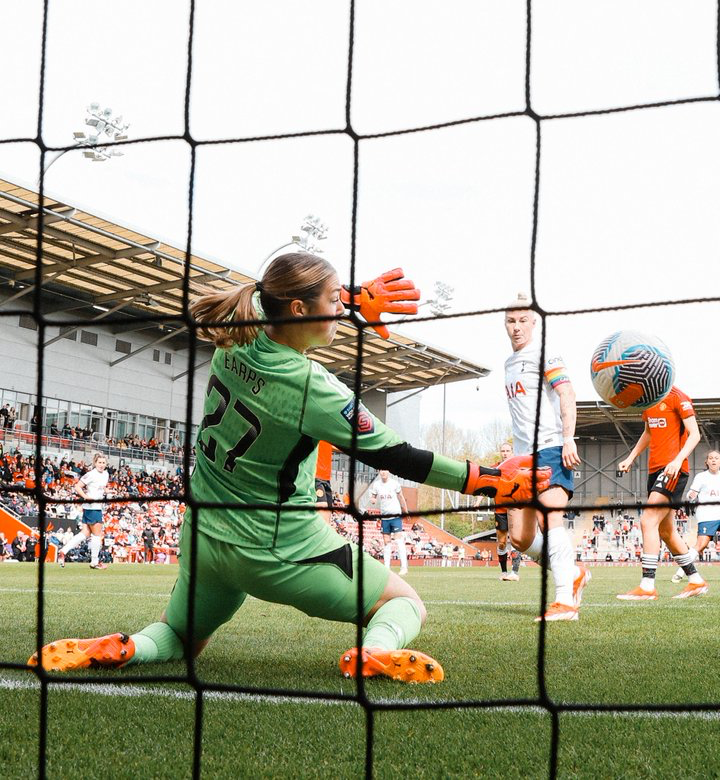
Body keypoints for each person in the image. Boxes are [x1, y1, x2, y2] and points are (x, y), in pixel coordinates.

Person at [30, 255, 549, 682]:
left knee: (180, 640)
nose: (340, 307)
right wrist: (487, 481)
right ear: (300, 308)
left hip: (204, 536)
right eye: (333, 300)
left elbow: (270, 290)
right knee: (405, 603)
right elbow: (395, 455)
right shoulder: (310, 386)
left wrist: (346, 300)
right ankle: (376, 651)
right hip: (277, 548)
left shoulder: (241, 332)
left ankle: (129, 648)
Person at [503, 293, 590, 621]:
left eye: (523, 320)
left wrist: (569, 439)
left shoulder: (545, 355)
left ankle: (565, 601)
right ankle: (574, 572)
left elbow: (567, 393)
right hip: (523, 460)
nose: (516, 327)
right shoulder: (509, 364)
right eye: (511, 321)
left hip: (552, 448)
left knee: (550, 518)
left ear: (534, 323)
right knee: (521, 538)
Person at [616, 386, 706, 600]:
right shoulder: (647, 401)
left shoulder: (678, 397)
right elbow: (648, 432)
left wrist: (677, 460)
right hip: (655, 469)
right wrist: (631, 458)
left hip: (673, 469)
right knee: (667, 532)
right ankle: (696, 581)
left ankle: (647, 586)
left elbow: (695, 434)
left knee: (648, 520)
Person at [671, 450, 720, 582]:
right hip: (707, 515)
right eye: (711, 458)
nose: (714, 460)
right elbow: (690, 494)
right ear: (707, 462)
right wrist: (691, 495)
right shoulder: (701, 477)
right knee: (701, 545)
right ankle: (681, 571)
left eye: (716, 458)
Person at [56, 453, 110, 570]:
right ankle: (94, 562)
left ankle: (63, 551)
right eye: (99, 462)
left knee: (84, 533)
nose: (101, 465)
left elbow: (101, 487)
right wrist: (86, 496)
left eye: (103, 462)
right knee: (97, 535)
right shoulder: (90, 474)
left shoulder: (106, 474)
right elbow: (77, 486)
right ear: (95, 463)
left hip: (95, 506)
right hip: (92, 507)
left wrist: (107, 491)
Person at [367, 469, 410, 576]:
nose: (383, 472)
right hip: (384, 517)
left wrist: (405, 510)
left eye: (385, 470)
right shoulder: (376, 485)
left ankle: (404, 567)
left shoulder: (394, 484)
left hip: (395, 516)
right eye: (381, 470)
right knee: (386, 541)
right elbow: (373, 496)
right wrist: (372, 499)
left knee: (398, 540)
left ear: (388, 471)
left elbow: (401, 497)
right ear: (379, 471)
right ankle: (387, 568)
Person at [494, 441, 518, 581]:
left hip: (516, 509)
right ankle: (504, 572)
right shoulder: (495, 468)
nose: (505, 453)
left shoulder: (518, 468)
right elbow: (484, 482)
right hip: (500, 509)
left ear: (512, 452)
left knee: (516, 541)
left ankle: (515, 572)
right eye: (503, 451)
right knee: (502, 542)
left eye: (507, 451)